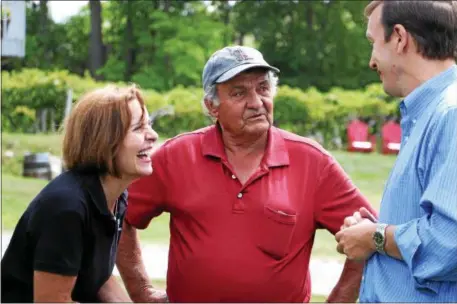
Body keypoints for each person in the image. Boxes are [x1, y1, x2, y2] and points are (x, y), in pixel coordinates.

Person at [115, 45, 377, 303]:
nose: (256, 102)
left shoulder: (313, 162)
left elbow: (369, 233)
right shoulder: (176, 156)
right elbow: (118, 215)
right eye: (239, 93)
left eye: (263, 88)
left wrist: (339, 300)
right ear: (212, 106)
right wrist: (142, 292)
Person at [335, 1, 457, 302]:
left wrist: (374, 237)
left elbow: (448, 242)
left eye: (374, 42)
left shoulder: (450, 114)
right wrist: (377, 228)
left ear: (400, 38)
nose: (371, 61)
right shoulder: (430, 113)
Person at [1, 85, 166, 302]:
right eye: (138, 128)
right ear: (106, 141)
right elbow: (52, 301)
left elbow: (97, 275)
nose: (153, 136)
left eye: (149, 125)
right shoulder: (66, 208)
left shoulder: (115, 197)